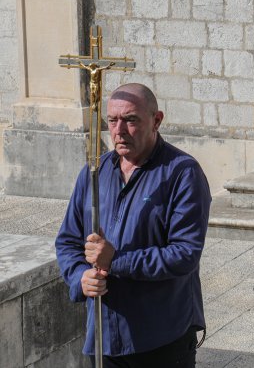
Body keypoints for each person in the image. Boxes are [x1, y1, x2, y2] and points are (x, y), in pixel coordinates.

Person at [55, 83, 212, 366]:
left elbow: (185, 254)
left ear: (157, 120)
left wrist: (116, 260)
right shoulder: (95, 172)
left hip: (159, 337)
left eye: (130, 120)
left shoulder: (182, 174)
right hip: (104, 333)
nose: (119, 130)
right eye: (112, 121)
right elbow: (68, 240)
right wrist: (79, 276)